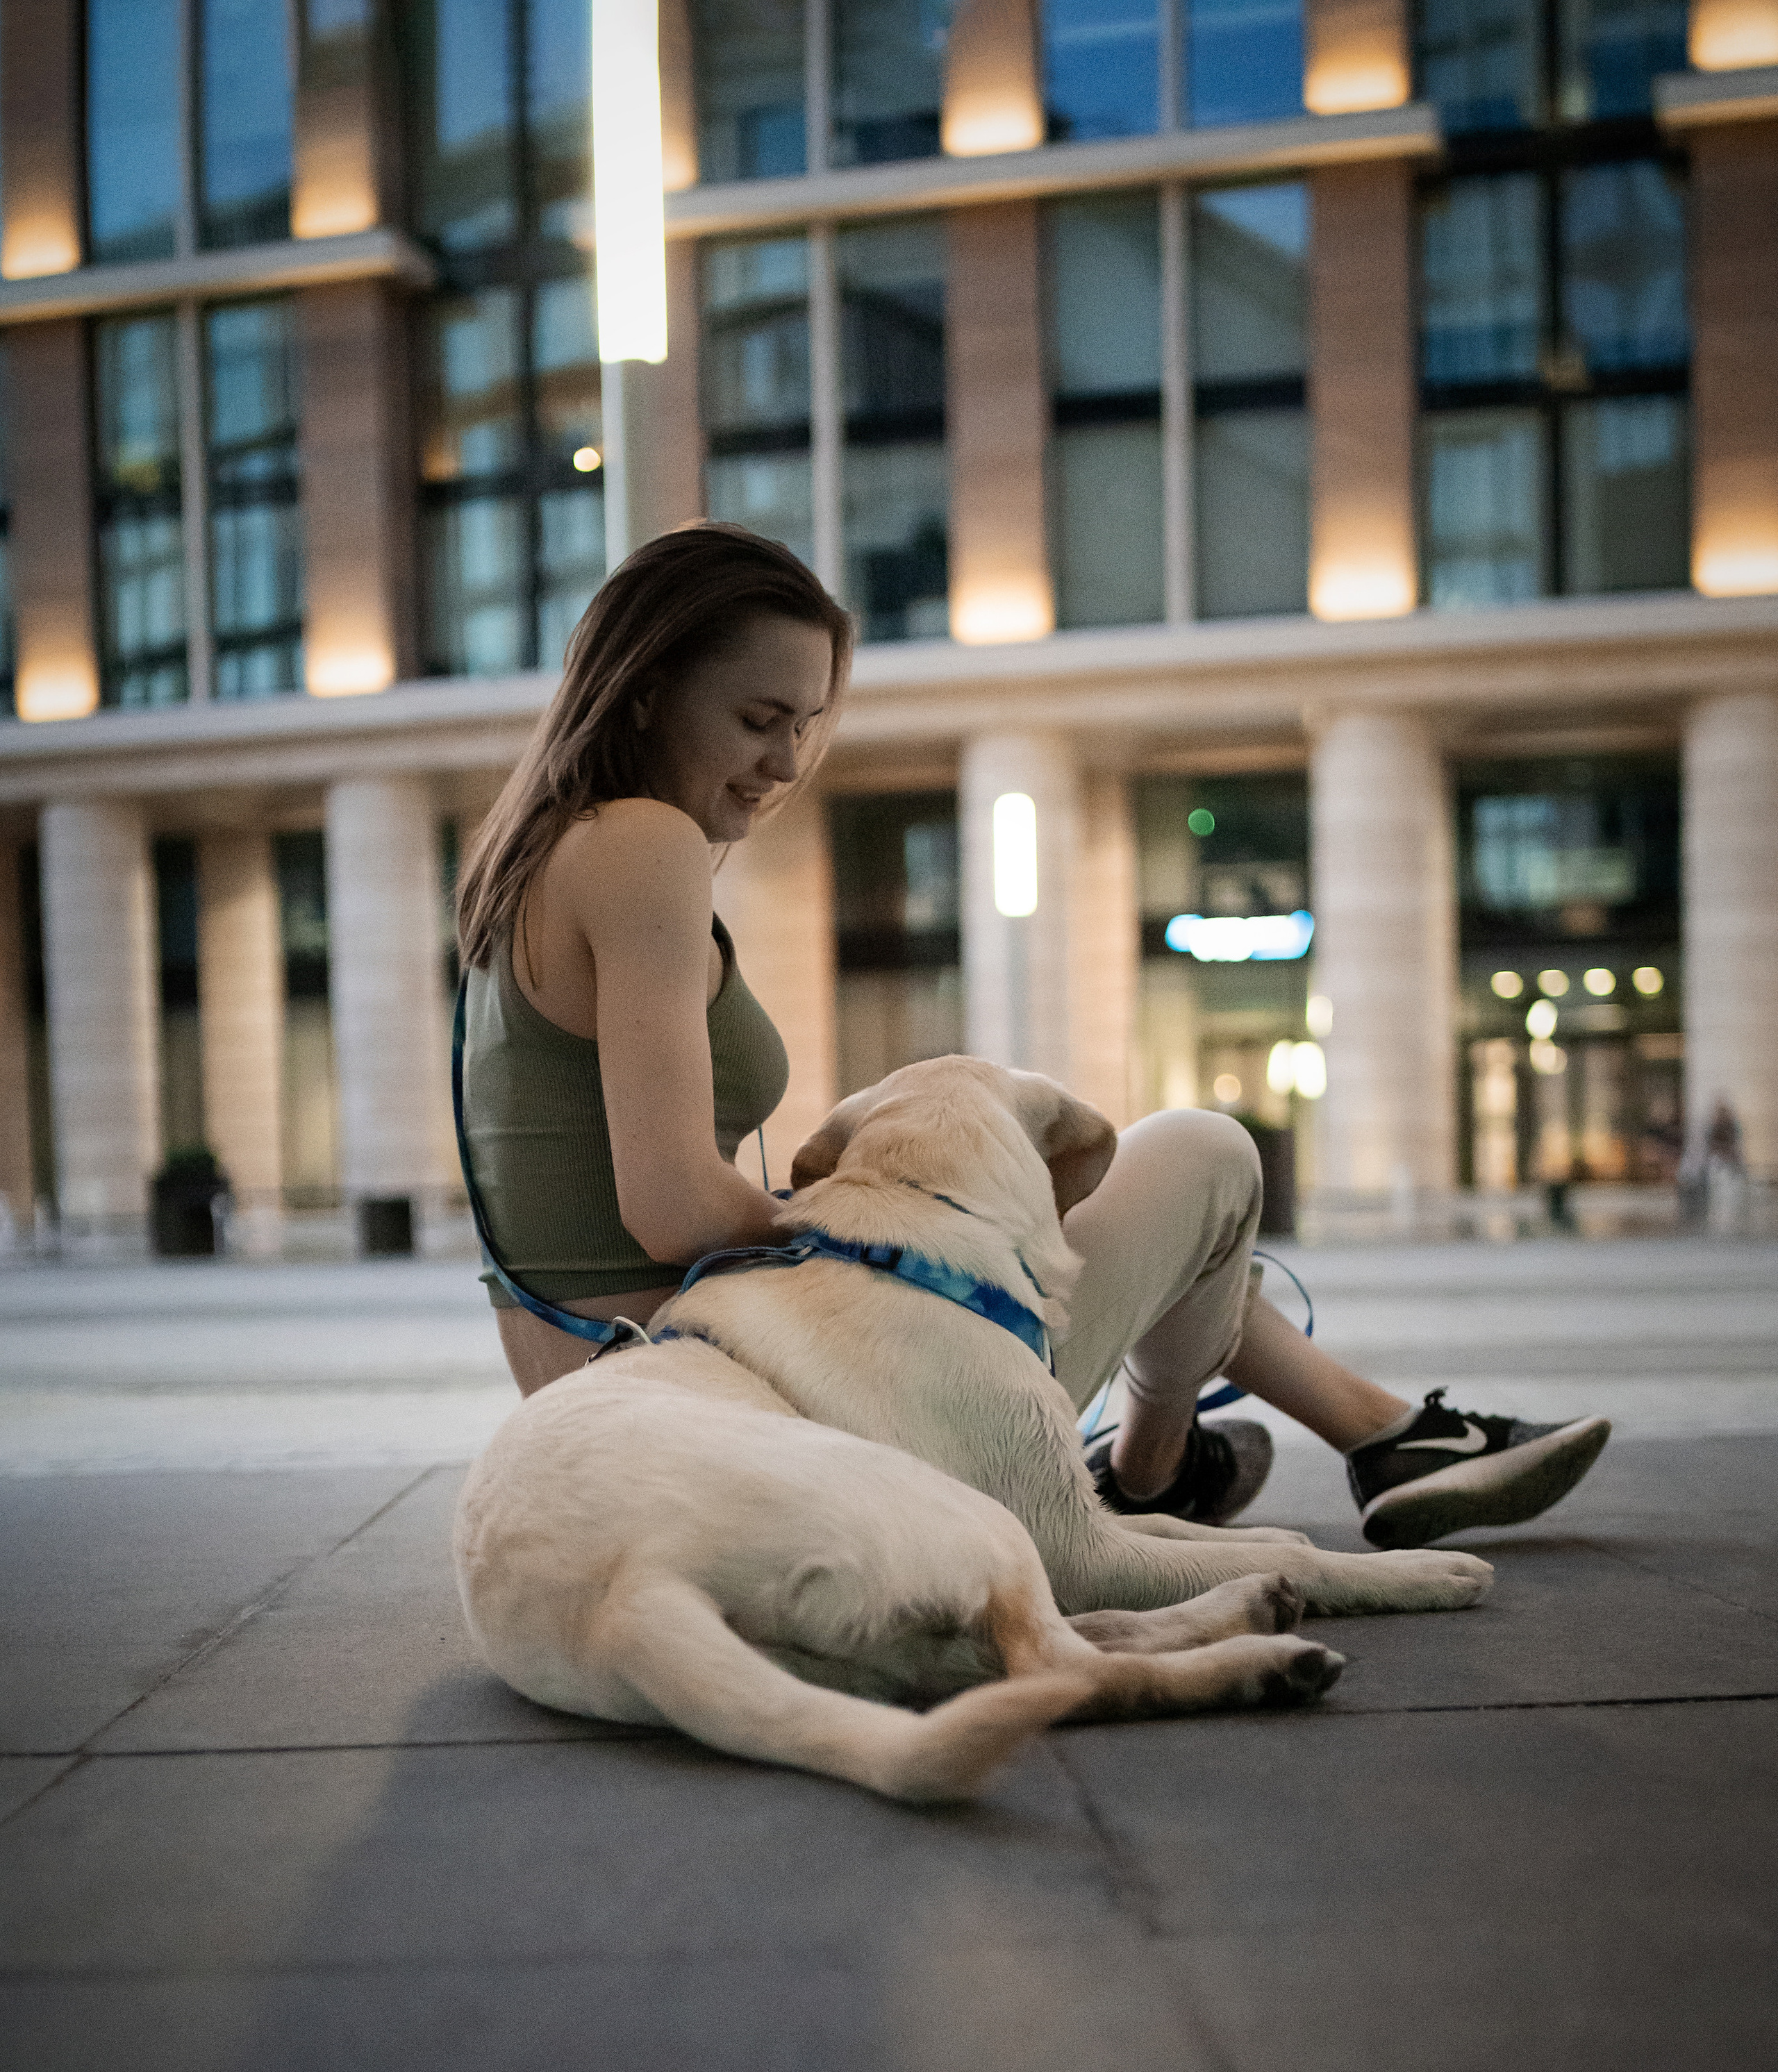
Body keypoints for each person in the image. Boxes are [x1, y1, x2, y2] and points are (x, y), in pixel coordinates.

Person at [456, 522, 1610, 1553]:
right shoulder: (642, 845)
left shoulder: (541, 858)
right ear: (645, 691)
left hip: (653, 1395)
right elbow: (673, 1207)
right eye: (758, 720)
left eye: (805, 725)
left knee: (1144, 1227)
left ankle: (1319, 1445)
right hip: (753, 1408)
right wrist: (891, 1216)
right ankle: (1172, 1468)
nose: (788, 763)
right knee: (1204, 1156)